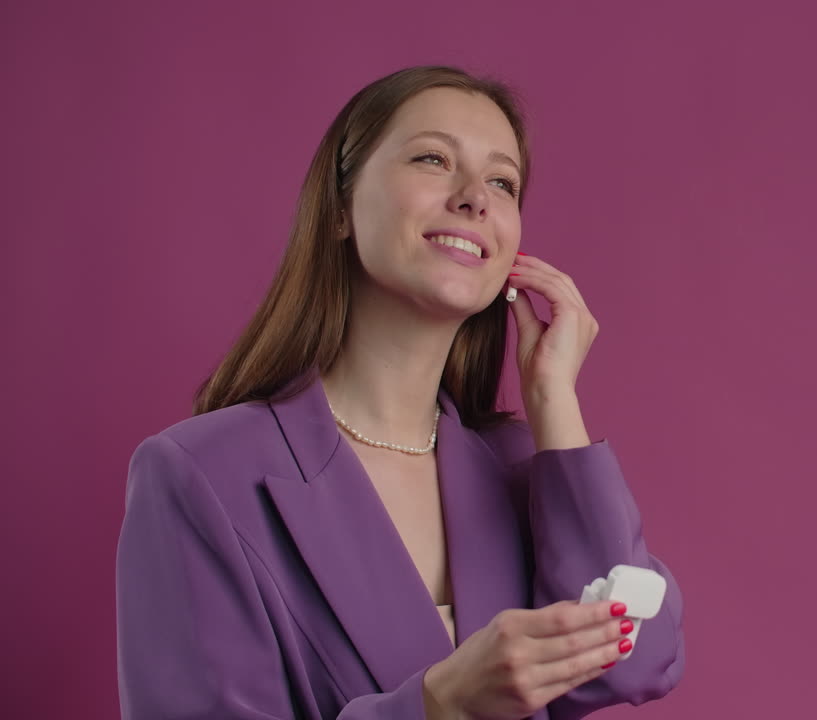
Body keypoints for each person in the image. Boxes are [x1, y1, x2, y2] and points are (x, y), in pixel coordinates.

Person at [115, 65, 684, 720]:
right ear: (339, 209)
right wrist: (438, 704)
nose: (475, 198)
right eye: (433, 159)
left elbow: (634, 662)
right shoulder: (201, 474)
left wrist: (555, 400)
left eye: (503, 182)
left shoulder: (523, 467)